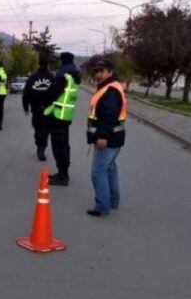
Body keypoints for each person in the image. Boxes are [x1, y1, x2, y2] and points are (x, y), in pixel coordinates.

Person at [85, 59, 127, 217]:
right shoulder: (109, 87)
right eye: (96, 71)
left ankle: (102, 206)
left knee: (98, 172)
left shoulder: (109, 91)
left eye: (101, 71)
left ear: (110, 72)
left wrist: (102, 135)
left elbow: (108, 116)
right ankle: (113, 201)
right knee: (109, 169)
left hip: (107, 139)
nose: (98, 74)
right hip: (116, 137)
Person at [43, 52, 81, 186]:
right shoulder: (75, 75)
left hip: (58, 115)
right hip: (67, 115)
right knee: (65, 145)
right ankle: (63, 173)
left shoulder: (62, 75)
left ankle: (62, 175)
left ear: (62, 61)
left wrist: (44, 105)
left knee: (58, 146)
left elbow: (51, 94)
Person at [22, 56, 54, 161]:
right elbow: (57, 93)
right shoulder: (51, 78)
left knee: (38, 128)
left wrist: (25, 107)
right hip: (48, 109)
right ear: (47, 65)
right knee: (45, 130)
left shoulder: (32, 77)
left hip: (35, 109)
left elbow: (26, 93)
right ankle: (42, 148)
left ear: (39, 65)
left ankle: (39, 146)